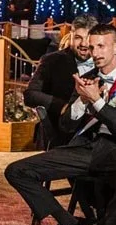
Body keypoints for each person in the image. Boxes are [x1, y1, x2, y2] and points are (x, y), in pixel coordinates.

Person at [5, 24, 116, 225]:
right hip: (87, 148)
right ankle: (68, 223)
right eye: (92, 47)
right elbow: (66, 125)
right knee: (17, 171)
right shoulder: (87, 78)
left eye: (101, 46)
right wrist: (80, 102)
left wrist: (97, 101)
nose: (95, 52)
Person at [24, 15, 98, 148]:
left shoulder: (104, 63)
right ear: (71, 35)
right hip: (59, 134)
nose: (83, 44)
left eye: (88, 39)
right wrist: (63, 107)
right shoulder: (52, 60)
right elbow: (30, 95)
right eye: (78, 38)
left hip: (95, 136)